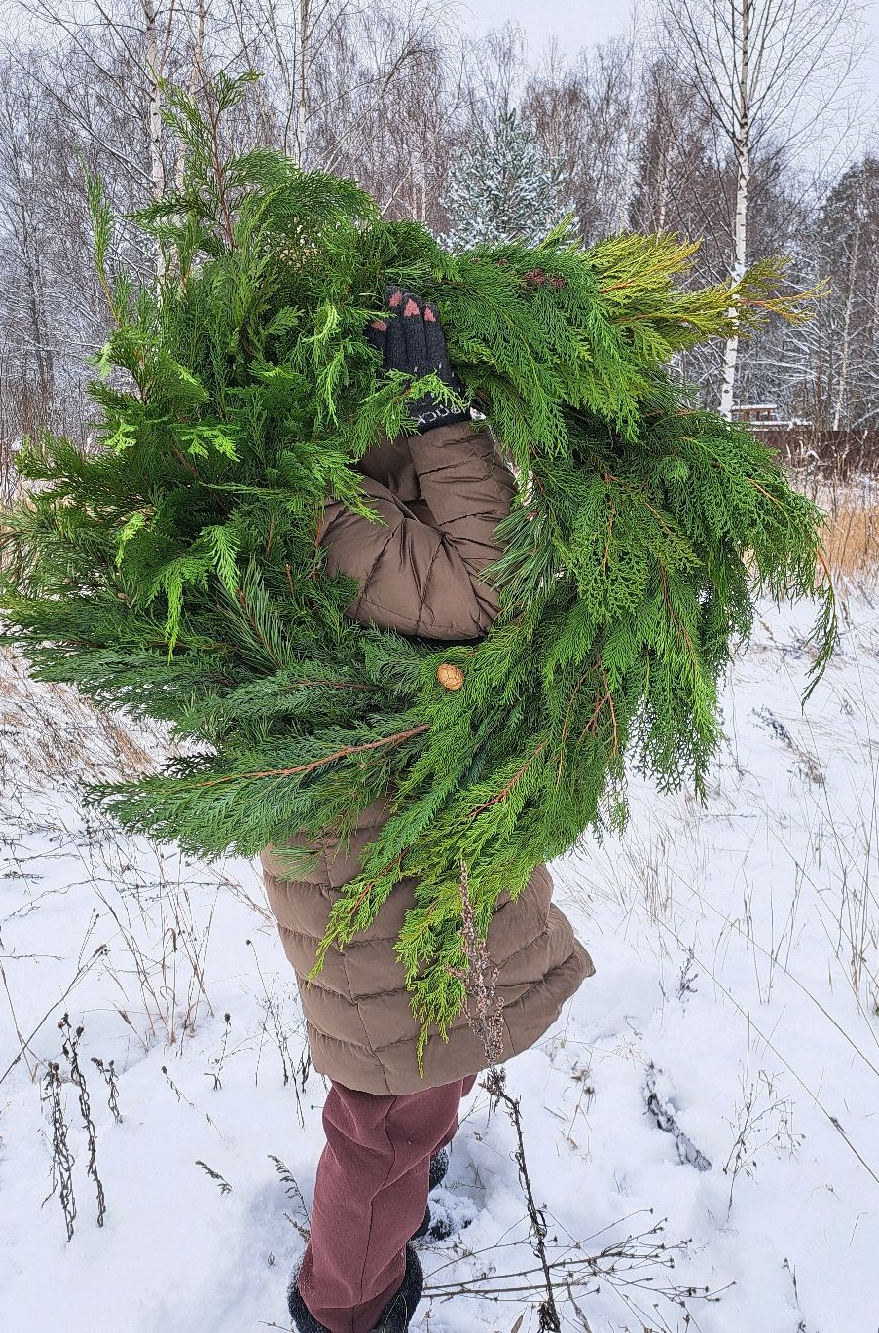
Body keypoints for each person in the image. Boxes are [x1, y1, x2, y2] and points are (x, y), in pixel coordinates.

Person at [259, 288, 595, 1333]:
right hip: (379, 850)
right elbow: (489, 590)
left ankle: (405, 1190)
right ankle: (347, 1306)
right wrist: (444, 424)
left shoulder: (325, 478)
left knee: (405, 1080)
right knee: (384, 1119)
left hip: (385, 836)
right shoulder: (331, 509)